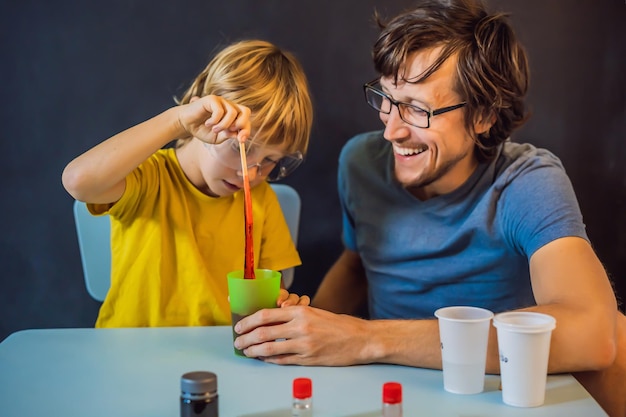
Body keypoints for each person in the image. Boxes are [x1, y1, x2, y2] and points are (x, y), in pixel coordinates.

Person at [232, 2, 625, 416]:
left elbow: (595, 332)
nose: (391, 130)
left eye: (418, 110)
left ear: (484, 115)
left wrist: (365, 338)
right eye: (386, 98)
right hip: (387, 387)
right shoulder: (359, 163)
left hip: (492, 391)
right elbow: (358, 265)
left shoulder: (526, 182)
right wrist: (308, 329)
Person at [62, 39, 312, 328]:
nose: (250, 175)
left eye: (271, 160)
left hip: (219, 354)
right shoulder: (149, 178)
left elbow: (269, 291)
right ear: (202, 116)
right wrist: (178, 121)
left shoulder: (261, 199)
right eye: (241, 149)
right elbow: (78, 181)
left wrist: (279, 305)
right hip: (129, 352)